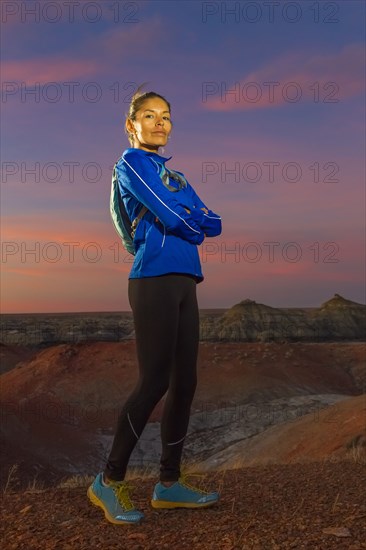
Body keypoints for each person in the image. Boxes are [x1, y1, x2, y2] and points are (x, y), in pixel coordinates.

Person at [87, 86, 222, 525]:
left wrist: (190, 217)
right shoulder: (131, 163)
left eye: (166, 115)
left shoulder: (178, 177)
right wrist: (190, 219)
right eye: (149, 115)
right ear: (132, 125)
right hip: (153, 280)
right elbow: (172, 216)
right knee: (153, 383)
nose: (161, 122)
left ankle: (169, 484)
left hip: (186, 281)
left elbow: (214, 222)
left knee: (186, 382)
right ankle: (108, 481)